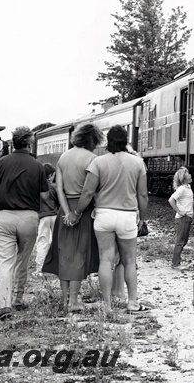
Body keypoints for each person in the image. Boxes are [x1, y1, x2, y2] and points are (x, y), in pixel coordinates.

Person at [69, 125, 148, 313]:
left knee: (105, 259)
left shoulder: (98, 162)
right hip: (128, 216)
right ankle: (133, 302)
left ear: (108, 141)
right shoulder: (137, 163)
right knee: (129, 261)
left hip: (104, 215)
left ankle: (107, 305)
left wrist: (77, 212)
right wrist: (142, 219)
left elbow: (88, 192)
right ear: (126, 140)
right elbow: (143, 195)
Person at [0, 126, 49, 321]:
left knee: (5, 262)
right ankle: (18, 299)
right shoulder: (37, 166)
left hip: (5, 218)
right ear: (30, 143)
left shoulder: (1, 162)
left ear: (12, 143)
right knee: (22, 260)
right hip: (29, 217)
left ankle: (4, 305)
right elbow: (45, 195)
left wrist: (5, 191)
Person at [42, 124, 103, 311]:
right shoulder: (93, 159)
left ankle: (64, 299)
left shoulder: (63, 157)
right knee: (79, 254)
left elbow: (58, 188)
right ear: (92, 139)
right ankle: (74, 301)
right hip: (82, 210)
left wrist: (66, 211)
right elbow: (89, 190)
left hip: (64, 210)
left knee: (65, 253)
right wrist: (76, 214)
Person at [167, 167, 194, 269]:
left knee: (184, 240)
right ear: (183, 177)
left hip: (187, 218)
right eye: (188, 174)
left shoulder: (188, 187)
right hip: (183, 218)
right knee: (180, 241)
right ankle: (175, 263)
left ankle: (177, 260)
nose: (190, 175)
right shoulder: (182, 189)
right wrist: (179, 211)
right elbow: (171, 200)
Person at [33, 163, 58, 275]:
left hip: (43, 217)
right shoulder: (54, 187)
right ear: (51, 175)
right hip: (55, 216)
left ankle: (40, 268)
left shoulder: (37, 187)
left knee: (43, 241)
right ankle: (57, 267)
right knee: (57, 241)